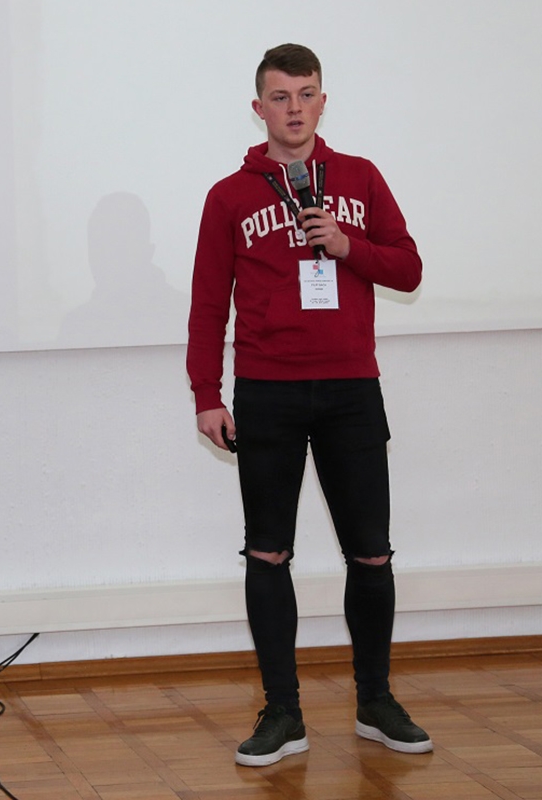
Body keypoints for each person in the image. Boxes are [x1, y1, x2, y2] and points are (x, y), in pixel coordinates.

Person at [186, 44, 431, 767]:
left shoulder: (360, 178)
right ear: (258, 108)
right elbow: (208, 305)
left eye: (306, 94)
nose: (293, 108)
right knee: (268, 552)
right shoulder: (228, 197)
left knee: (372, 552)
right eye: (280, 96)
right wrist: (207, 394)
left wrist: (348, 245)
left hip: (351, 388)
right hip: (268, 392)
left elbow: (408, 268)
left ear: (323, 101)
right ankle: (282, 712)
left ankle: (375, 700)